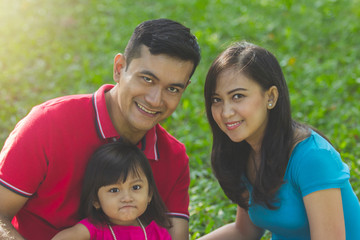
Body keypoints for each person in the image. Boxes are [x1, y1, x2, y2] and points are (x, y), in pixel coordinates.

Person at [0, 18, 200, 240]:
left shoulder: (173, 157)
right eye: (147, 79)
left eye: (172, 88)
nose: (155, 100)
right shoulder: (48, 124)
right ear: (119, 68)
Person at [199, 41, 360, 240]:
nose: (226, 112)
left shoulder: (313, 157)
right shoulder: (244, 151)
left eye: (238, 96)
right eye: (217, 100)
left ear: (271, 97)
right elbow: (244, 232)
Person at [52, 141, 172, 240]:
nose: (127, 198)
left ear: (149, 194)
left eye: (136, 187)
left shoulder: (158, 233)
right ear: (96, 200)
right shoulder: (93, 229)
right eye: (114, 190)